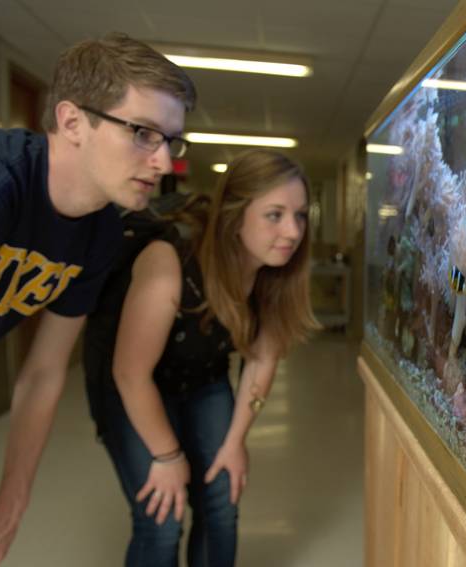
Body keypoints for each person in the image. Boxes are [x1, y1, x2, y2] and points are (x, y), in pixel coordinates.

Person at [0, 33, 195, 567]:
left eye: (171, 141)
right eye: (142, 133)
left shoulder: (102, 234)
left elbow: (45, 371)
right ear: (71, 122)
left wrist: (10, 508)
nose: (163, 163)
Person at [84, 149, 320, 567]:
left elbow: (262, 362)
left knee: (221, 505)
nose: (292, 231)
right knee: (162, 519)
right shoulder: (169, 260)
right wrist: (167, 456)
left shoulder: (274, 272)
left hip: (204, 379)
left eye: (300, 215)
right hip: (132, 385)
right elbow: (129, 373)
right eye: (275, 214)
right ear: (235, 215)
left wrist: (235, 443)